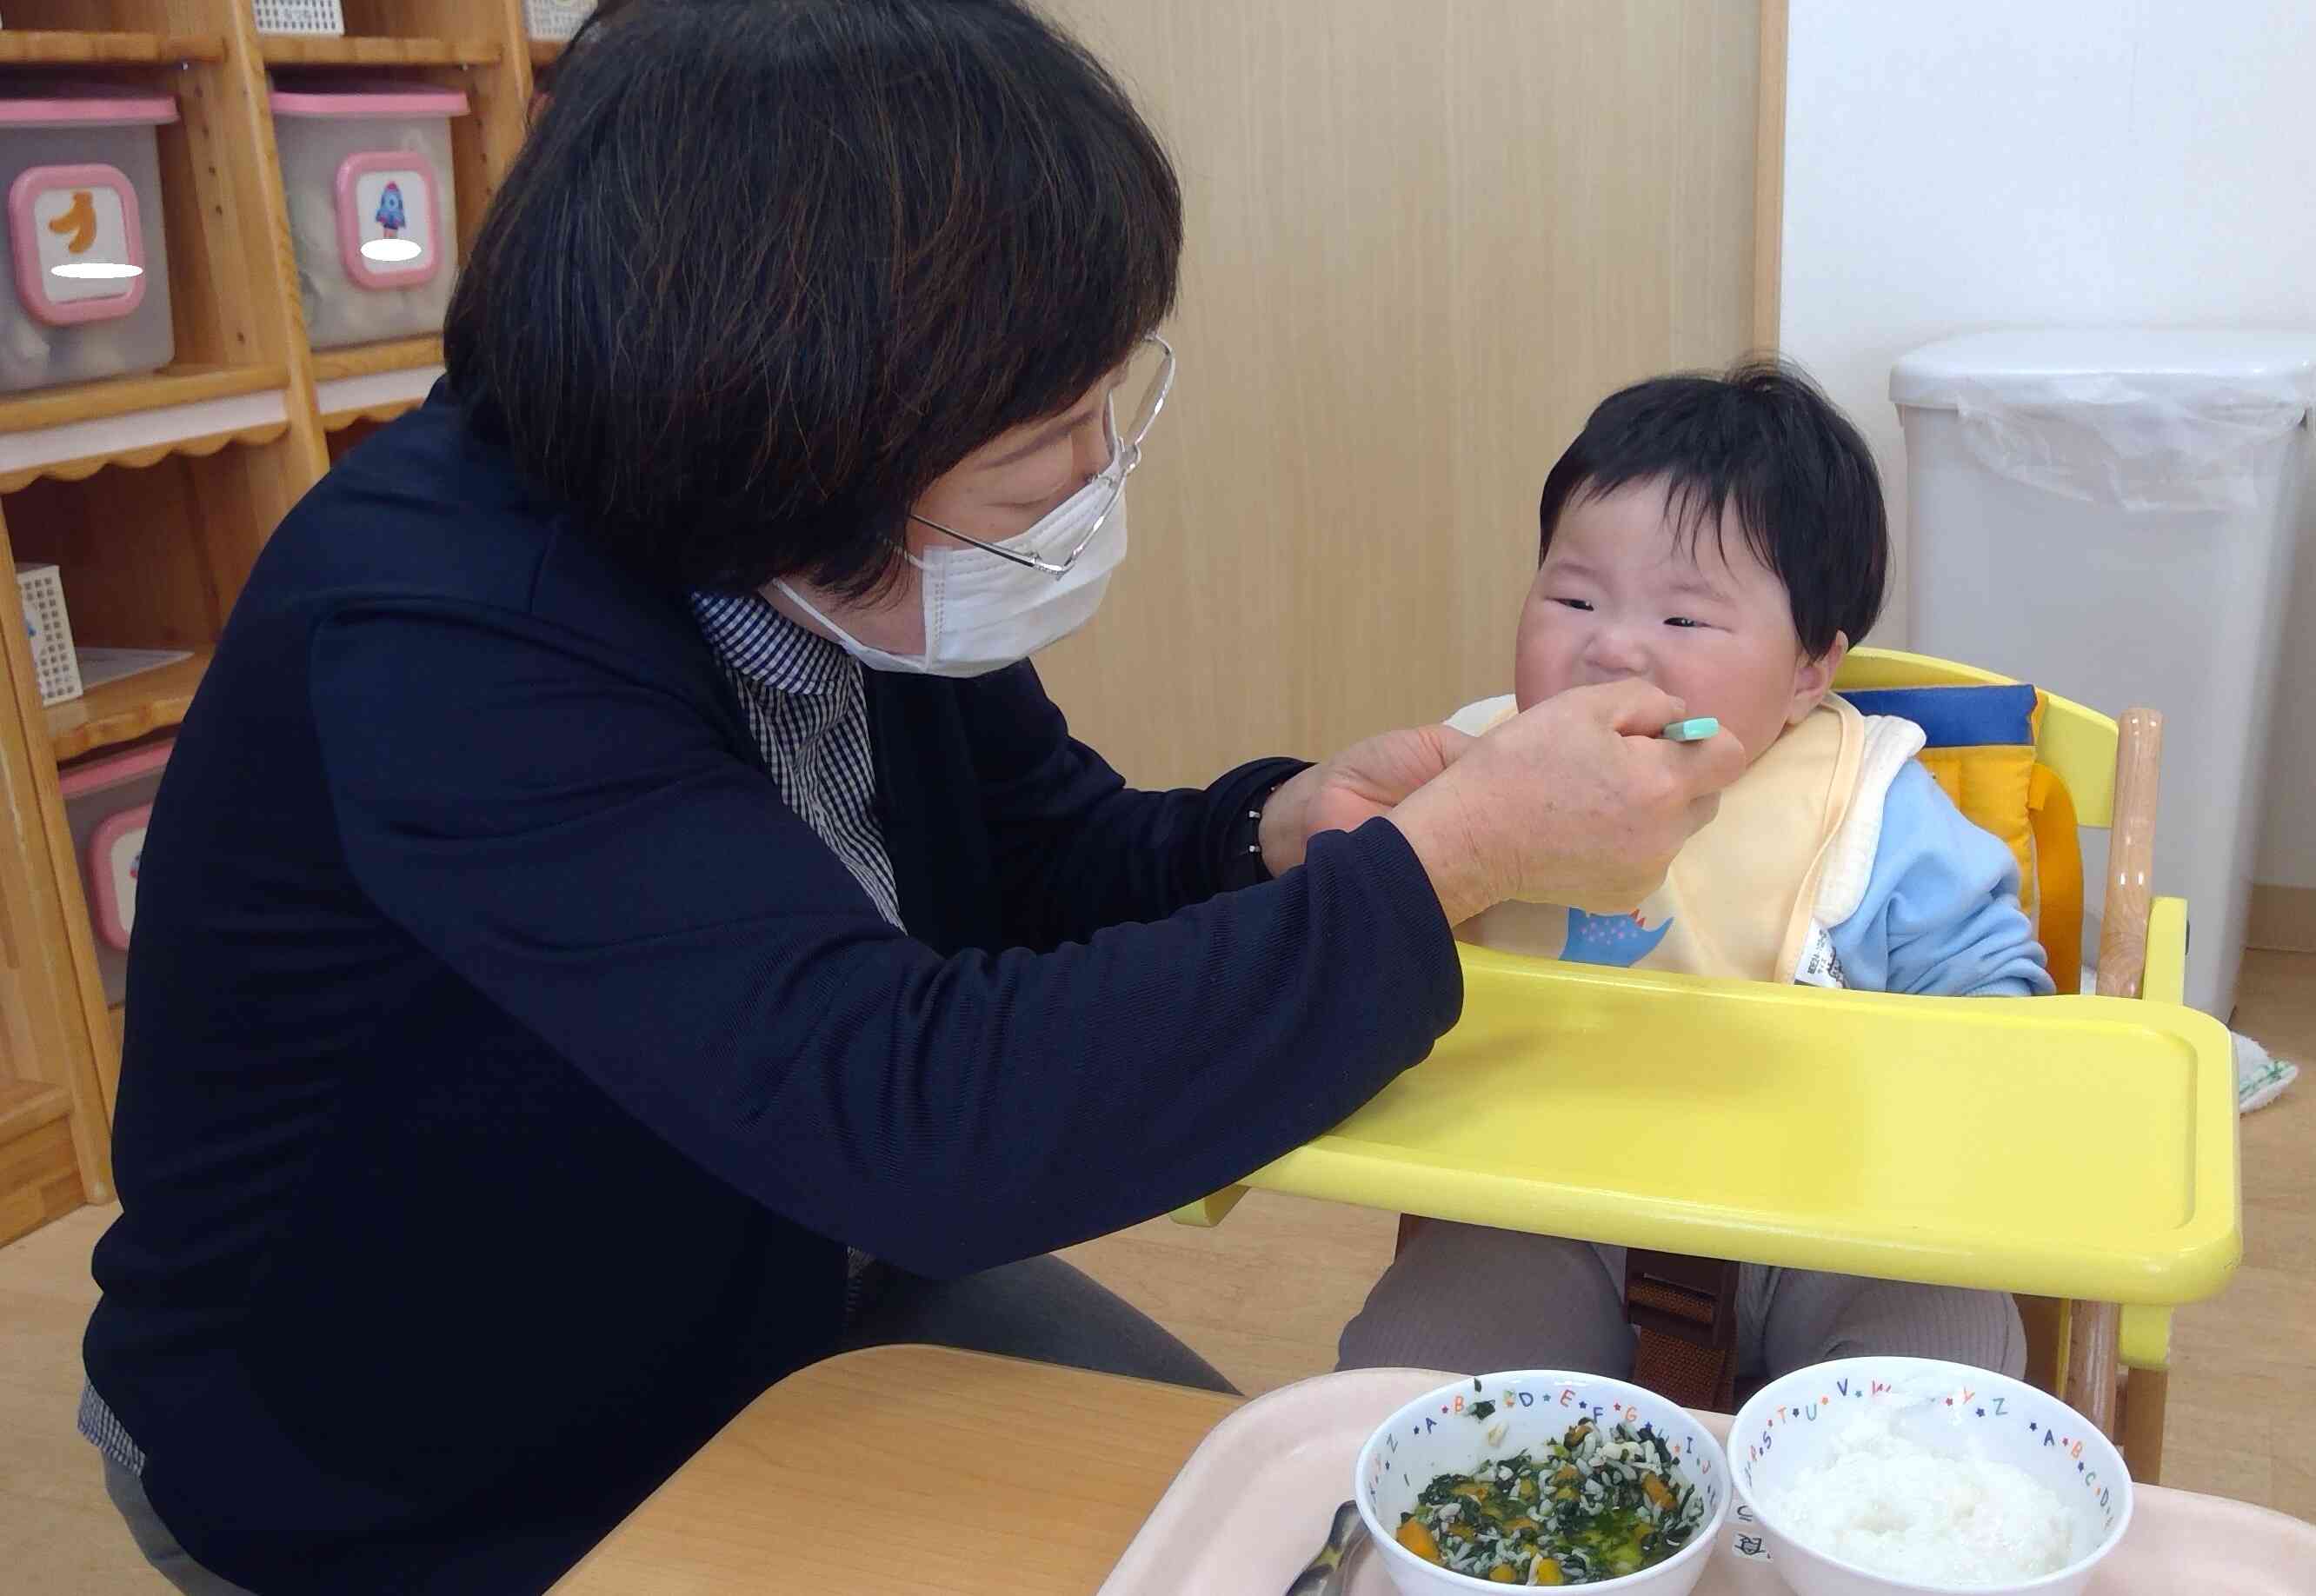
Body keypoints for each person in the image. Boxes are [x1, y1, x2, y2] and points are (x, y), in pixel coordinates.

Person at [77, 4, 1744, 1593]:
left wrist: (1273, 834)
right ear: (787, 433)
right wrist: (1446, 866)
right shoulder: (445, 633)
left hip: (781, 1272)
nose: (1095, 467)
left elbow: (1037, 850)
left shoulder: (833, 565)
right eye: (1045, 438)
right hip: (415, 1454)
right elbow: (908, 1115)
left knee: (1299, 1523)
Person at [1337, 362, 2053, 1387]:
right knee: (1407, 1379)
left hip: (1835, 1220)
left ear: (1810, 669)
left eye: (1683, 620)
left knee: (1951, 1366)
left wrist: (1948, 1100)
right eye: (1574, 595)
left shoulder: (1867, 804)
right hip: (1543, 1205)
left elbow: (2000, 1019)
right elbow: (1362, 947)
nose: (1611, 646)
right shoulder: (1471, 768)